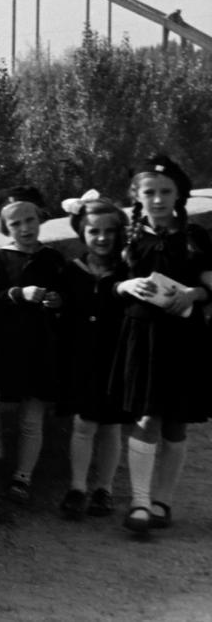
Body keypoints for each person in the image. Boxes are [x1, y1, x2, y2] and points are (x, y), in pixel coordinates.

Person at [108, 153, 212, 536]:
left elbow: (210, 285)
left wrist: (193, 293)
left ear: (178, 195)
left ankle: (162, 501)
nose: (157, 199)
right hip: (143, 337)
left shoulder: (195, 237)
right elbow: (106, 282)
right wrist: (126, 285)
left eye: (165, 192)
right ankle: (139, 502)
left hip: (184, 337)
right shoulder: (128, 237)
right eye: (149, 192)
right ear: (136, 195)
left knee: (176, 421)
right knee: (147, 416)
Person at [0, 185, 67, 503]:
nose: (24, 228)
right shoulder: (1, 258)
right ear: (5, 227)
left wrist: (56, 300)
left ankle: (23, 476)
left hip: (38, 338)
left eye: (30, 220)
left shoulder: (53, 259)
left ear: (40, 219)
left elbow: (65, 296)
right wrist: (18, 294)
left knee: (31, 413)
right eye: (16, 223)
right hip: (2, 336)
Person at [54, 191, 130, 519]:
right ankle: (77, 487)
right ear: (82, 233)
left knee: (111, 426)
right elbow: (63, 312)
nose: (102, 238)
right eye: (94, 231)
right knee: (83, 423)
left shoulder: (127, 271)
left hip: (116, 358)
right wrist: (55, 304)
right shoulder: (72, 271)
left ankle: (104, 488)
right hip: (82, 357)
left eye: (109, 231)